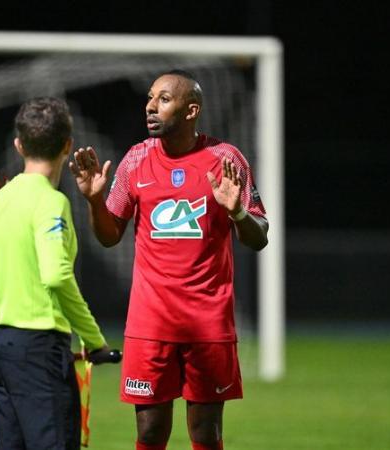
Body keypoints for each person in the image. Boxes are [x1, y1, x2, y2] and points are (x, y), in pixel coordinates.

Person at [69, 70, 269, 450]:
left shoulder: (225, 160)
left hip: (207, 322)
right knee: (148, 432)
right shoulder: (135, 161)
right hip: (151, 321)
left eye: (163, 99)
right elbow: (110, 236)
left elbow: (259, 237)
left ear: (191, 110)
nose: (150, 106)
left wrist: (238, 213)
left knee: (206, 434)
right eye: (150, 98)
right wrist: (95, 200)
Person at [0, 97, 112, 450]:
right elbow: (57, 276)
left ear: (19, 145)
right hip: (38, 351)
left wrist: (7, 308)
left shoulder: (0, 199)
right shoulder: (51, 202)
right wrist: (94, 341)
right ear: (67, 145)